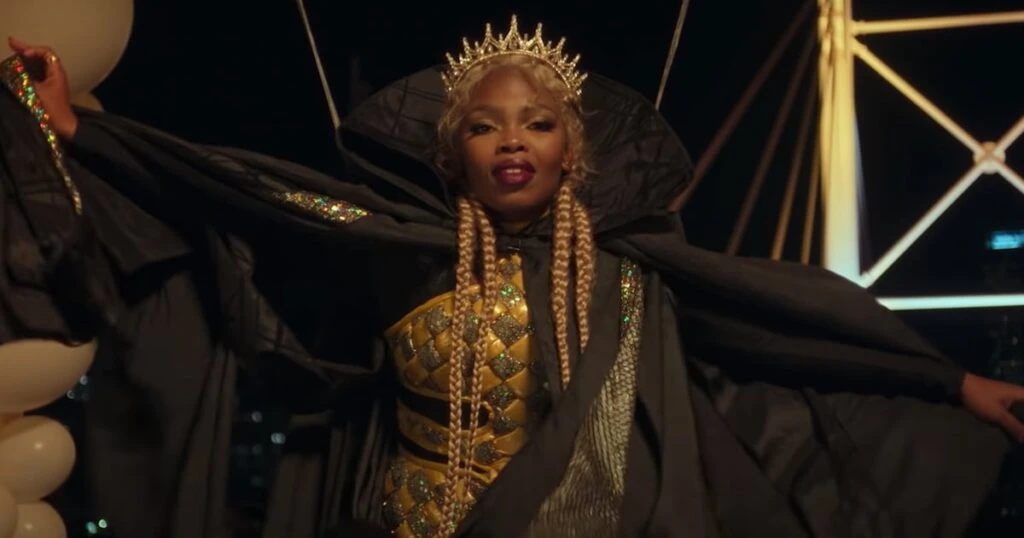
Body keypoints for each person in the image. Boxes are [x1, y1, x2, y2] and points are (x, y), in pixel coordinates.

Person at [2, 16, 1022, 538]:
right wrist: (81, 130)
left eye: (536, 123)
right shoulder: (399, 242)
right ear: (456, 156)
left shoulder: (632, 275)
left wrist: (949, 383)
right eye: (485, 127)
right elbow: (246, 192)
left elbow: (777, 330)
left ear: (571, 152)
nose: (512, 141)